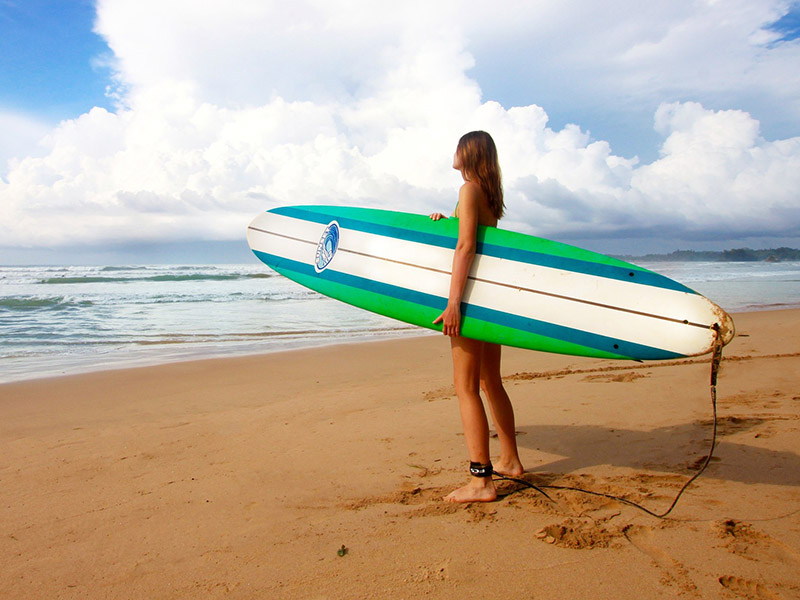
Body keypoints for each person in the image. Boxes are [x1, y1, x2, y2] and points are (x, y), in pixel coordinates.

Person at [430, 130, 524, 503]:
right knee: (491, 382)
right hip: (489, 300)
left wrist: (453, 304)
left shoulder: (468, 189)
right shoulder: (486, 194)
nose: (452, 153)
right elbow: (471, 237)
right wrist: (444, 222)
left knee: (465, 387)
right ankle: (511, 461)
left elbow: (467, 247)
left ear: (468, 153)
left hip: (468, 299)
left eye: (457, 147)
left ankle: (481, 481)